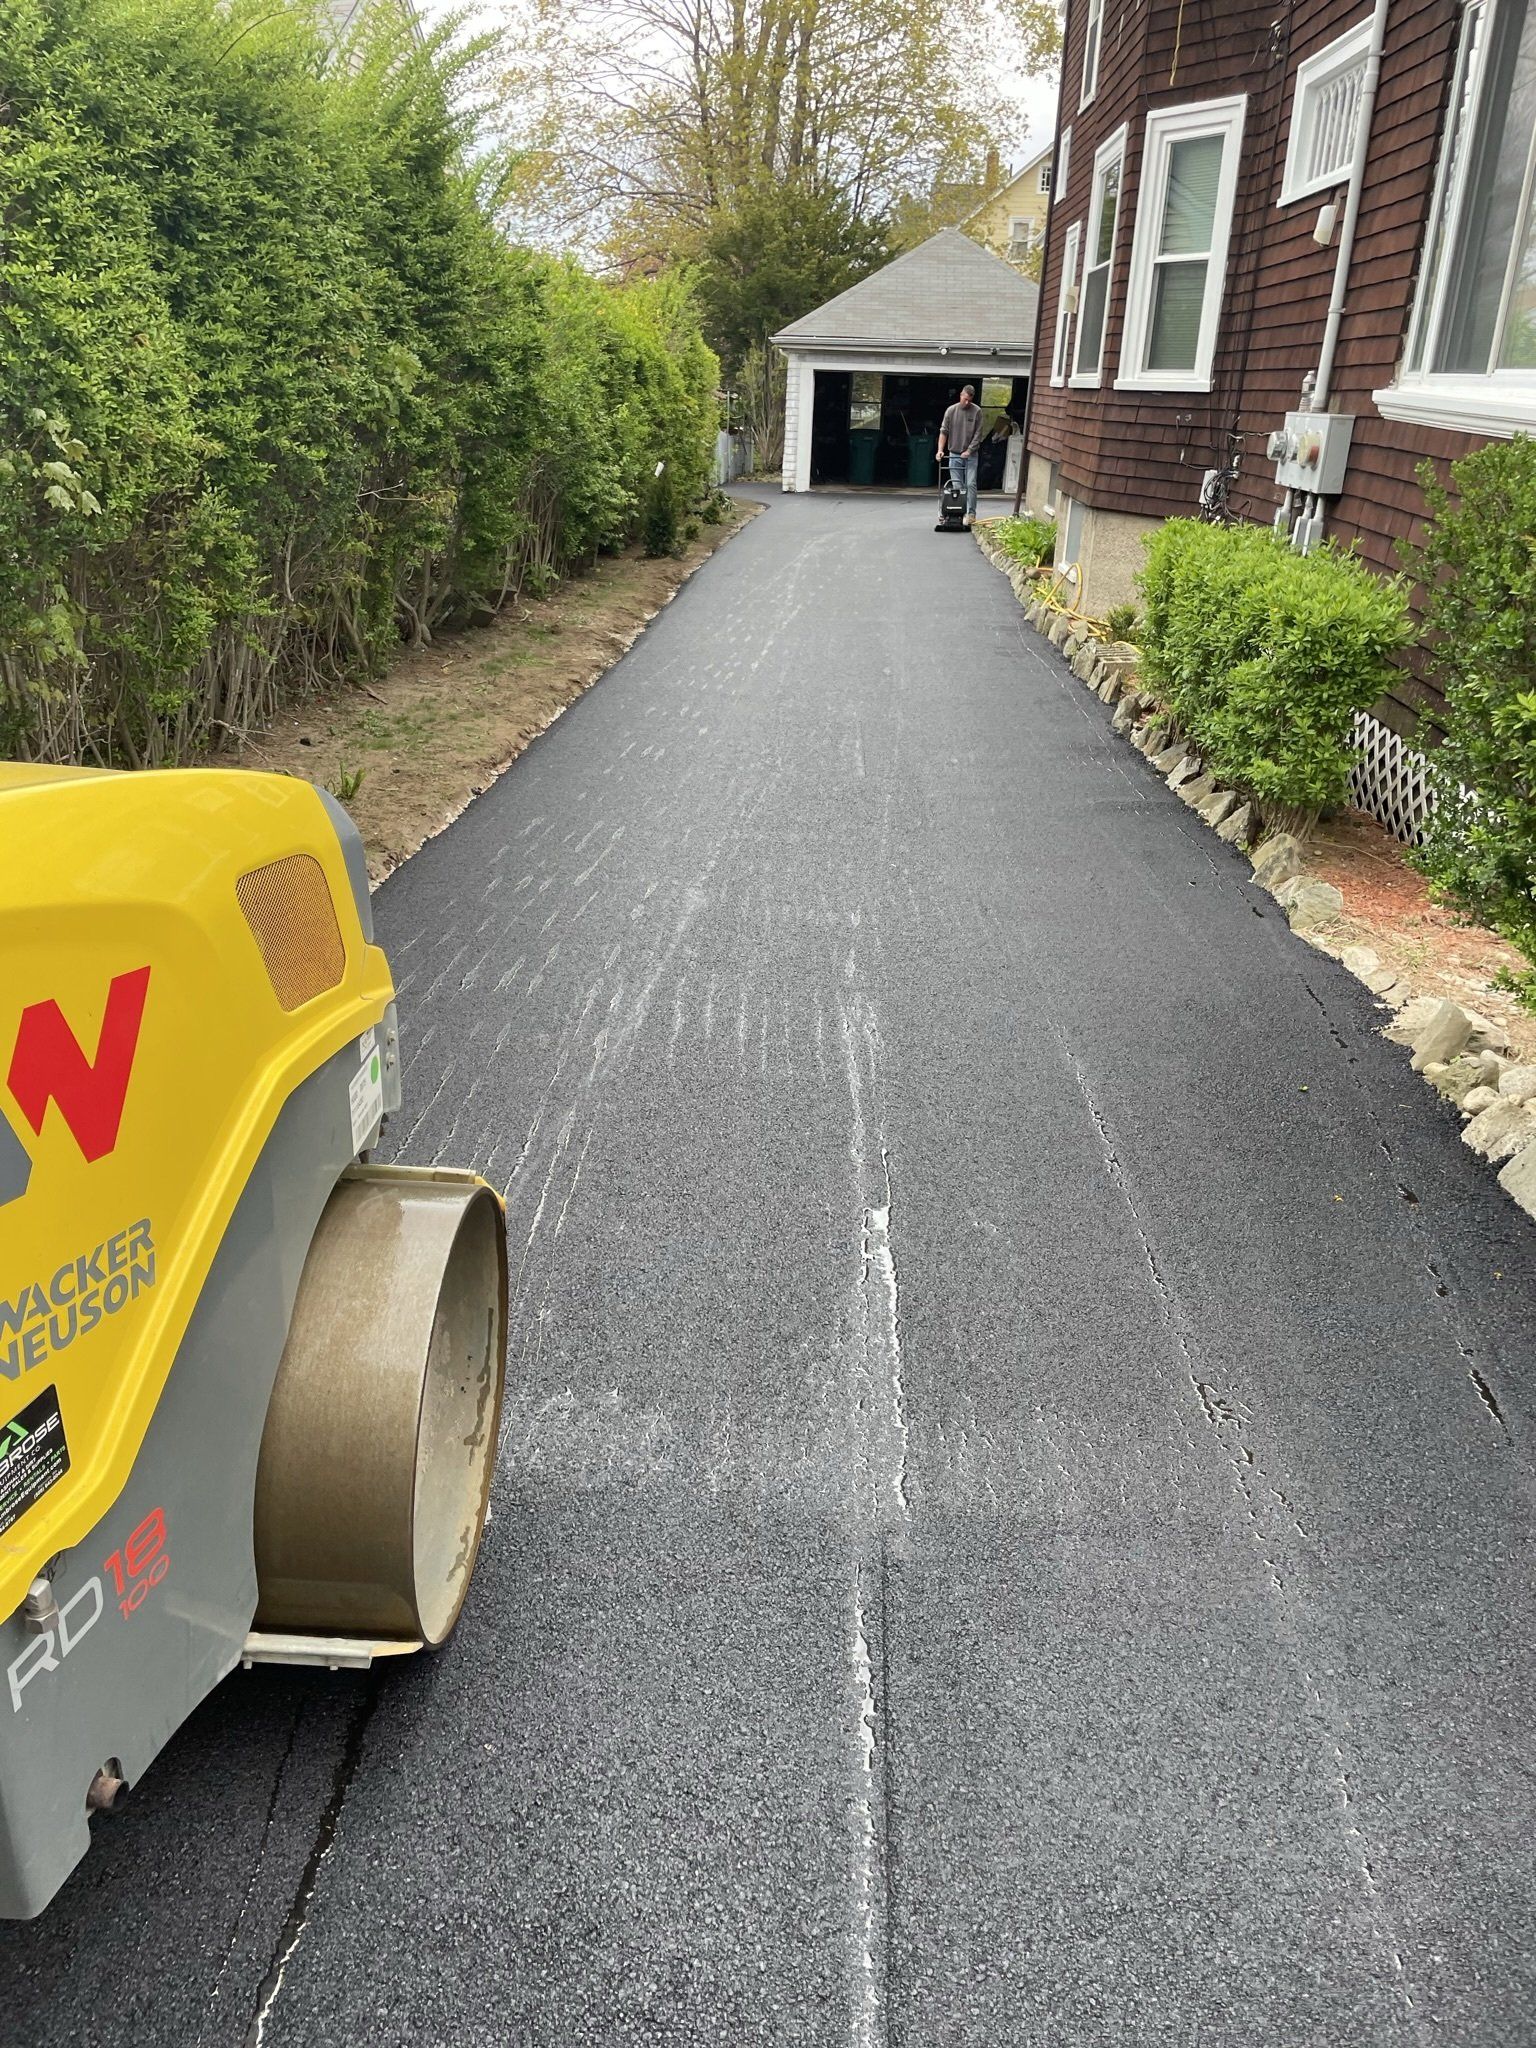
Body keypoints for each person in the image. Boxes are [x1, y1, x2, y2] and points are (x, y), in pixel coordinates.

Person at [937, 385, 986, 527]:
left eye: (969, 400)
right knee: (957, 485)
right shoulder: (951, 411)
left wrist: (969, 450)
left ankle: (971, 514)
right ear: (961, 395)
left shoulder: (977, 411)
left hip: (971, 454)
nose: (967, 403)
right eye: (965, 399)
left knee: (970, 483)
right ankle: (957, 514)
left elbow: (978, 434)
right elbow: (943, 431)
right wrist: (940, 450)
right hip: (954, 453)